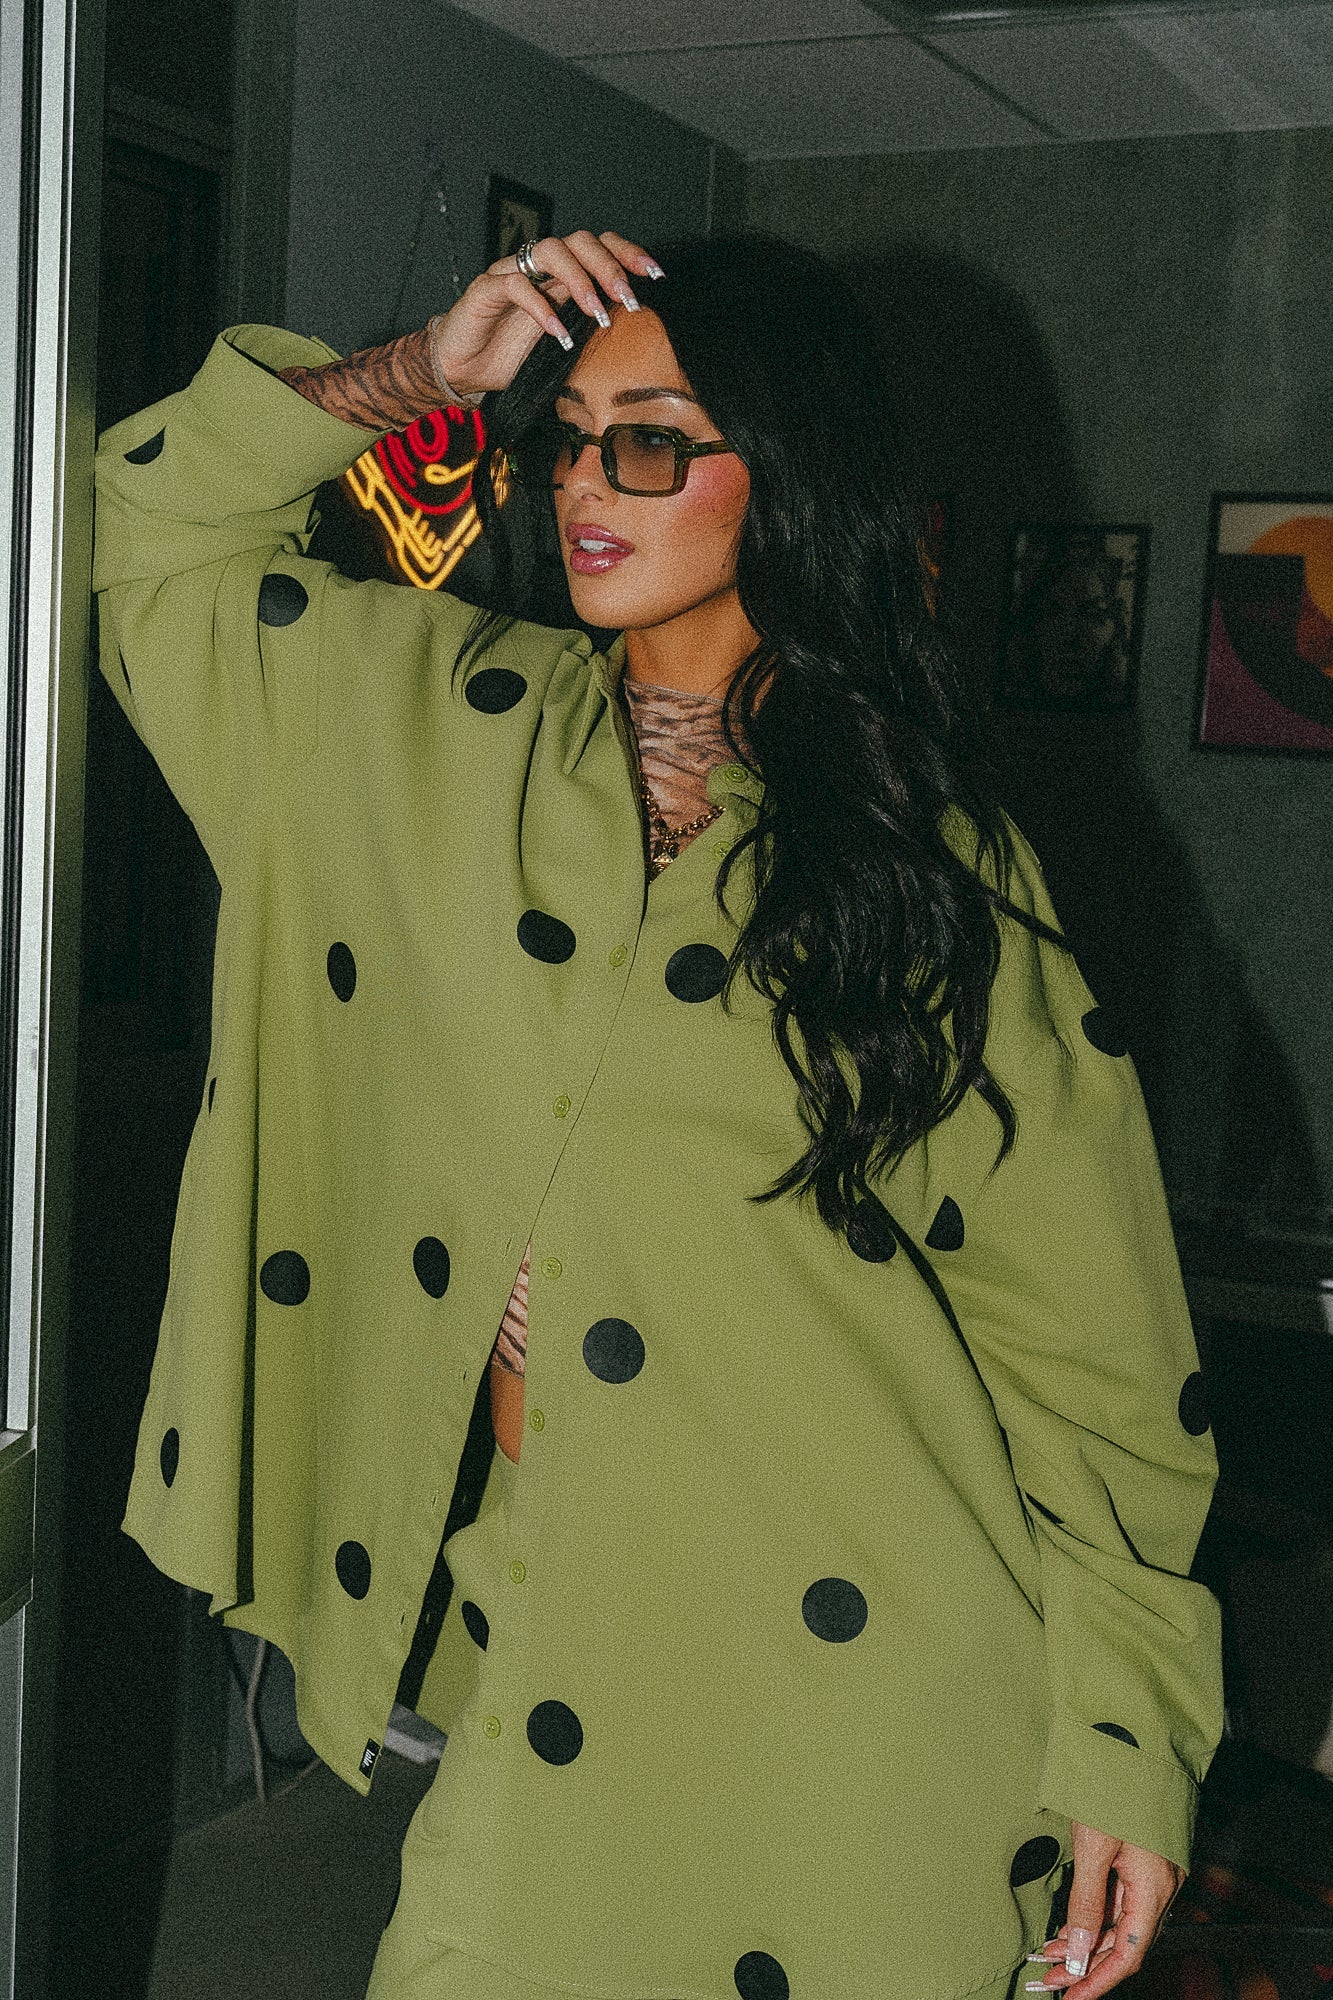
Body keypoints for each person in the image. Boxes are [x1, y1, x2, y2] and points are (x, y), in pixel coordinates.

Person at [91, 226, 1224, 2000]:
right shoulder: (418, 725)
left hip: (881, 1673)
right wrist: (413, 380)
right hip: (552, 1604)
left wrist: (1123, 1737)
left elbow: (1089, 1352)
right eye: (569, 436)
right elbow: (149, 541)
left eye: (652, 438)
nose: (583, 486)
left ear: (791, 476)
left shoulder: (933, 864)